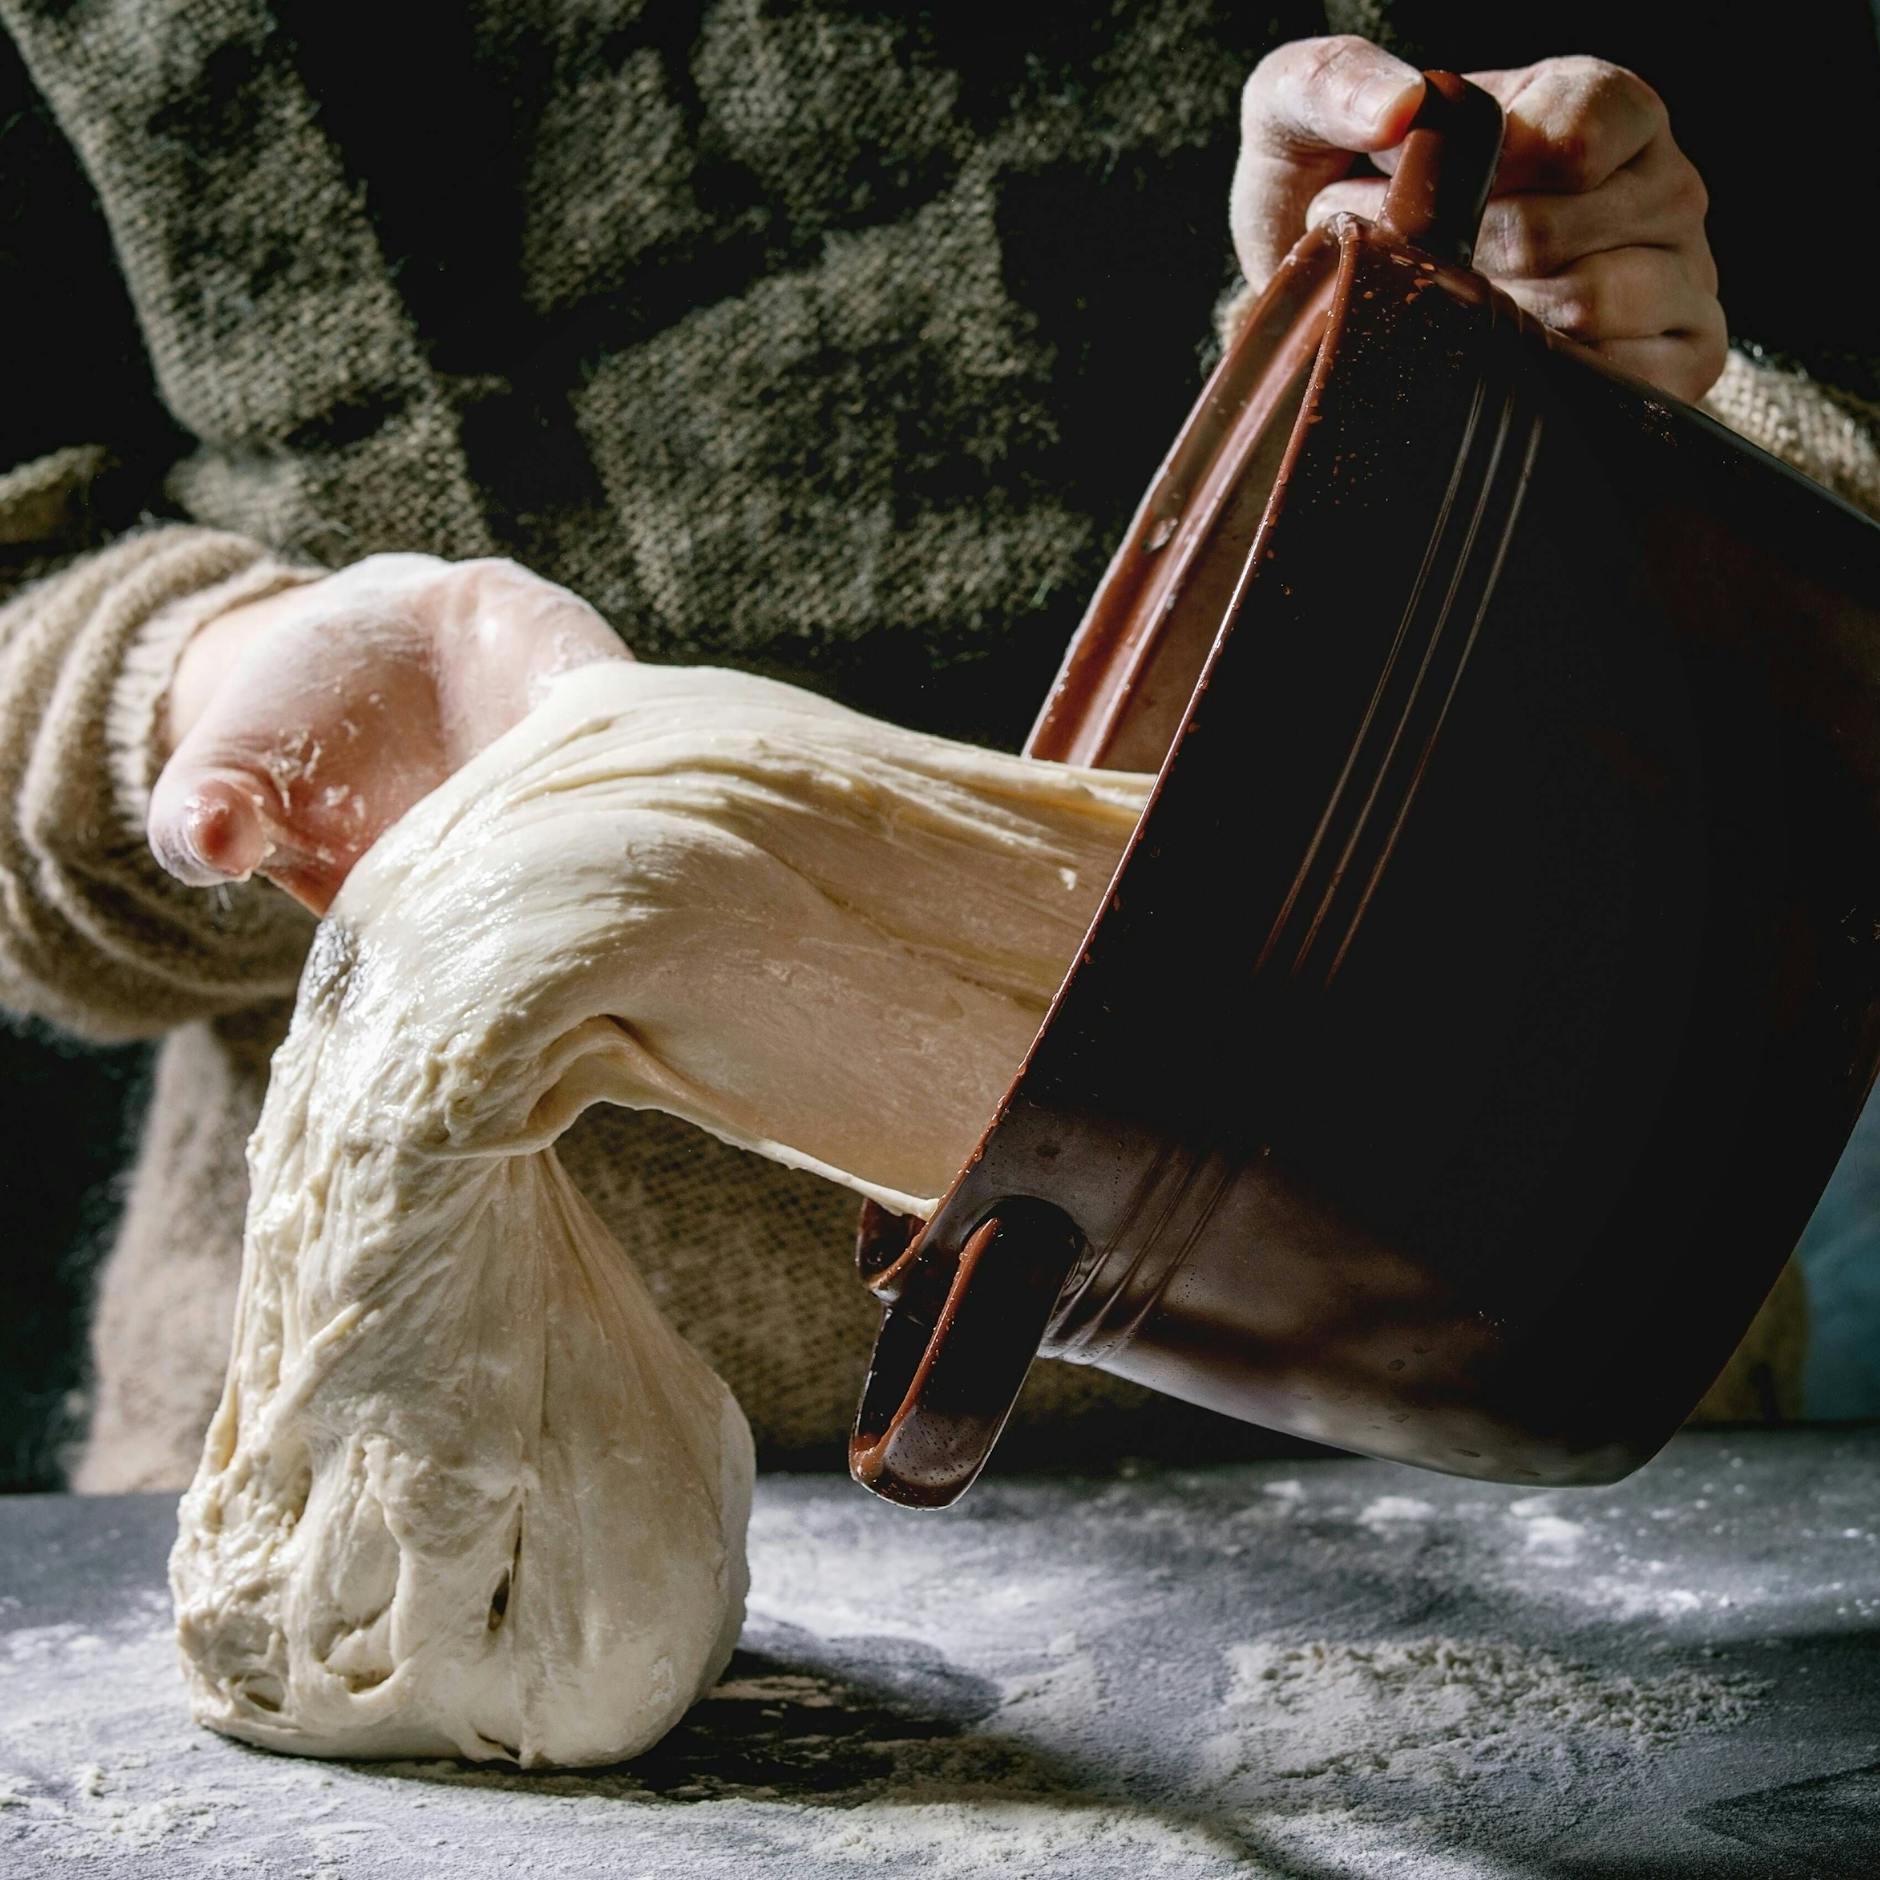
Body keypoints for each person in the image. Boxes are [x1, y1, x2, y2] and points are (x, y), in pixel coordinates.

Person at [4, 6, 1869, 1493]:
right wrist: (192, 691)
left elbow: (1828, 538)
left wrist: (1595, 455)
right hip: (424, 1434)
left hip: (1490, 1312)